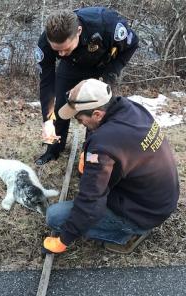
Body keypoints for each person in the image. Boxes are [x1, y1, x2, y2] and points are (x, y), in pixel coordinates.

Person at [42, 79, 179, 254]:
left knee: (55, 217)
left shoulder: (104, 144)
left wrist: (64, 240)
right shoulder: (130, 108)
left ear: (98, 114)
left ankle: (126, 234)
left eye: (79, 117)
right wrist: (89, 153)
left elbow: (92, 202)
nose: (79, 122)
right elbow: (109, 143)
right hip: (159, 199)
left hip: (141, 213)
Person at [35, 7, 139, 165]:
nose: (61, 54)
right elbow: (47, 82)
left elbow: (133, 43)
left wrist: (111, 73)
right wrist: (47, 120)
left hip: (102, 67)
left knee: (95, 112)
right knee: (61, 108)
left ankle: (91, 153)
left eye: (65, 48)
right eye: (57, 51)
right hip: (71, 66)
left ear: (78, 31)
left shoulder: (108, 26)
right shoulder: (46, 43)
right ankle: (54, 149)